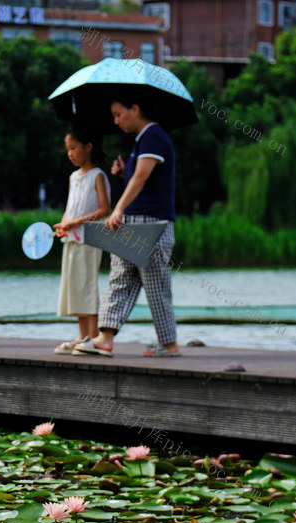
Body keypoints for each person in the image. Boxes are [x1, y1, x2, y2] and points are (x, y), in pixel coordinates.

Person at [74, 95, 180, 358]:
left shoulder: (153, 135)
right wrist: (124, 173)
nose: (116, 120)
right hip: (135, 220)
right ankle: (105, 338)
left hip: (152, 222)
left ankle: (170, 345)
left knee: (155, 285)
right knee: (121, 278)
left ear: (136, 108)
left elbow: (142, 177)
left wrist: (118, 208)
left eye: (119, 113)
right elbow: (141, 176)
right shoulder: (142, 140)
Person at [51, 125, 111, 354]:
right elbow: (69, 209)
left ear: (88, 147)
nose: (70, 153)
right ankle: (82, 335)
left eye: (74, 148)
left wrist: (77, 222)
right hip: (72, 239)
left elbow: (105, 209)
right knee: (74, 285)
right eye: (68, 149)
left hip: (90, 239)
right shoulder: (73, 177)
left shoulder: (98, 175)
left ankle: (94, 336)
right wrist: (64, 224)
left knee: (87, 285)